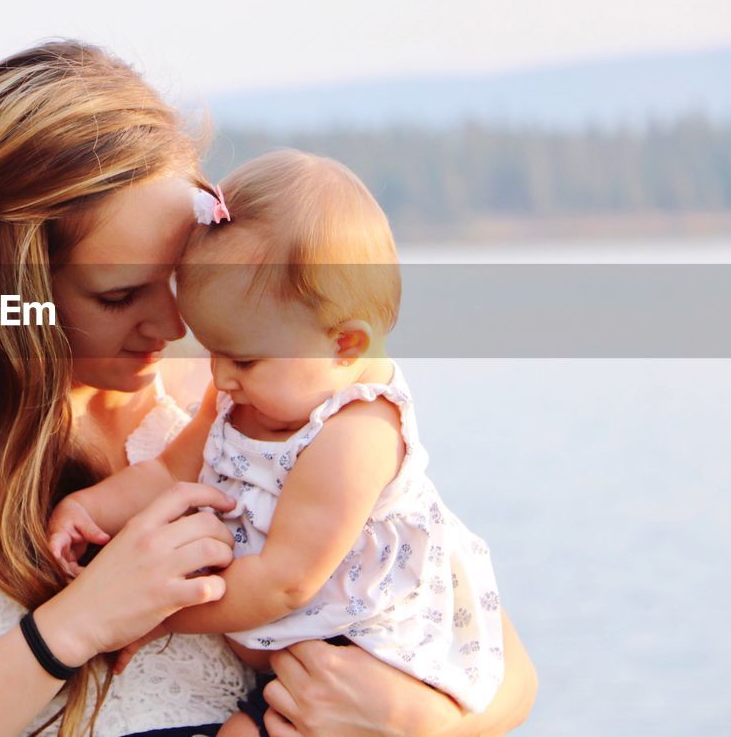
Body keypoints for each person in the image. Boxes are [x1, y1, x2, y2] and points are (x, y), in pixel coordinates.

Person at [0, 41, 537, 736]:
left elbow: (494, 656)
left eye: (183, 281)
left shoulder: (247, 406)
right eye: (119, 296)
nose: (174, 323)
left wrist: (421, 722)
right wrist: (74, 626)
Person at [49, 151, 507, 735]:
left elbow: (285, 579)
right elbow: (168, 473)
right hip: (294, 653)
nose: (219, 379)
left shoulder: (356, 434)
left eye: (241, 358)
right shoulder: (249, 393)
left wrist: (153, 615)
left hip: (359, 656)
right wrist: (88, 507)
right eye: (213, 352)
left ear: (343, 345)